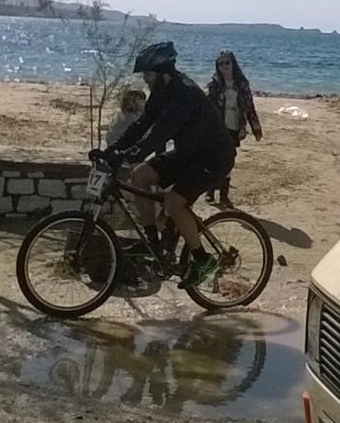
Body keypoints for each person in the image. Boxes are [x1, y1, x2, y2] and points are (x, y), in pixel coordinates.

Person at [92, 42, 236, 289]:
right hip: (188, 153)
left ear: (163, 73)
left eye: (148, 75)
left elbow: (160, 133)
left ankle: (202, 259)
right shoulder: (161, 91)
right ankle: (152, 242)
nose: (145, 80)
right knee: (139, 176)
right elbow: (142, 125)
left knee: (174, 202)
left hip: (214, 157)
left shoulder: (184, 94)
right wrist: (112, 150)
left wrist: (131, 153)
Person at [204, 50, 263, 208]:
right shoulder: (214, 85)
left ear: (233, 63)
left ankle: (224, 196)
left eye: (227, 62)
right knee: (214, 158)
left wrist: (256, 129)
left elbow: (249, 106)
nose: (224, 66)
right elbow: (206, 107)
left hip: (234, 126)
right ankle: (210, 191)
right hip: (217, 127)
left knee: (228, 160)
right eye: (220, 63)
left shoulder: (242, 84)